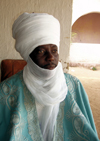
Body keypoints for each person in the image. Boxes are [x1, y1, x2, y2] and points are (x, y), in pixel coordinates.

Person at [0, 12, 99, 141]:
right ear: (28, 55)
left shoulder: (74, 85)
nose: (51, 57)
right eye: (41, 51)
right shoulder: (7, 90)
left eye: (54, 50)